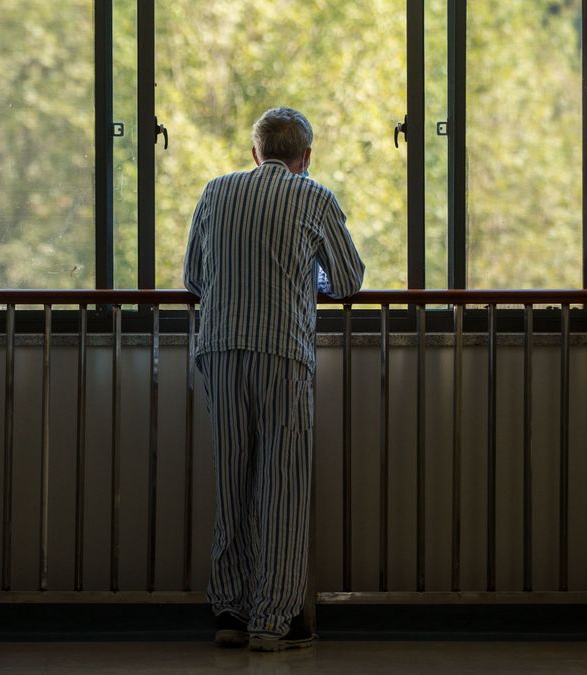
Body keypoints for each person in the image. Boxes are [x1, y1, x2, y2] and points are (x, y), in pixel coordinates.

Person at [183, 107, 365, 652]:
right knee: (282, 486)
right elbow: (350, 281)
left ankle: (230, 614)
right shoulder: (315, 198)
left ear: (254, 151)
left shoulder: (215, 192)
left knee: (231, 480)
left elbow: (194, 275)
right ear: (304, 158)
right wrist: (306, 276)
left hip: (218, 348)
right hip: (282, 350)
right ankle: (274, 621)